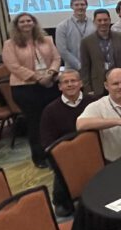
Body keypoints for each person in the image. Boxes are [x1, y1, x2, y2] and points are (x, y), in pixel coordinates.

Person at [2, 12, 62, 167]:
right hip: (25, 88)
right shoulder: (10, 44)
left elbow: (56, 58)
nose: (26, 23)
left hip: (49, 84)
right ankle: (39, 157)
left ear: (34, 23)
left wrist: (50, 73)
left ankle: (57, 154)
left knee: (51, 120)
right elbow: (13, 66)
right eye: (22, 21)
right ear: (17, 25)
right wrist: (37, 77)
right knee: (35, 123)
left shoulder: (46, 39)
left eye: (29, 20)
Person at [39, 69, 95, 216]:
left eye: (73, 81)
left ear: (80, 83)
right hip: (66, 155)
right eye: (66, 82)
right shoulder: (50, 111)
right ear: (60, 87)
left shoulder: (93, 103)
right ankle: (61, 200)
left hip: (92, 150)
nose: (70, 85)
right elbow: (46, 140)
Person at [78, 8, 121, 95]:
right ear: (94, 22)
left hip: (120, 82)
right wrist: (88, 88)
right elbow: (85, 68)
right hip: (98, 85)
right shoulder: (87, 41)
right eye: (99, 20)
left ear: (109, 20)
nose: (103, 23)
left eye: (105, 20)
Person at [55, 0, 93, 70]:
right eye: (76, 5)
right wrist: (79, 65)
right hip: (72, 69)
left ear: (86, 6)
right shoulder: (62, 26)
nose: (80, 7)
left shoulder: (94, 24)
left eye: (82, 4)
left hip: (93, 67)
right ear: (71, 7)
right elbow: (62, 50)